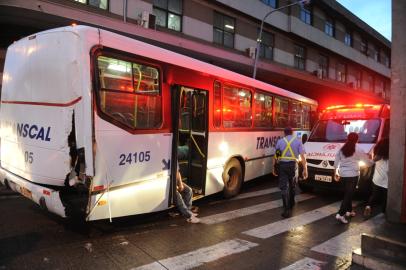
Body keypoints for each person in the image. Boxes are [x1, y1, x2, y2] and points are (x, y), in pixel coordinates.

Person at [333, 132, 371, 224]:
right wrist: (373, 160)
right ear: (357, 139)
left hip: (343, 174)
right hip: (353, 175)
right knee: (349, 195)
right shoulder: (359, 149)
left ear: (348, 138)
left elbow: (336, 162)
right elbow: (368, 163)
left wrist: (336, 173)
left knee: (347, 193)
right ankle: (340, 214)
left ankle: (349, 211)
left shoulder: (342, 148)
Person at [275, 127, 308, 218]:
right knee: (292, 185)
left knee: (284, 188)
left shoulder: (280, 141)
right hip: (293, 165)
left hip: (283, 165)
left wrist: (274, 167)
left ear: (284, 133)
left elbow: (277, 157)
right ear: (292, 133)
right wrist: (305, 169)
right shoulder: (298, 141)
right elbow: (302, 156)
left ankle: (286, 209)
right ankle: (292, 202)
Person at [363, 137, 389, 217]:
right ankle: (384, 211)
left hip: (377, 179)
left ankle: (368, 206)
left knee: (374, 195)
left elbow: (370, 163)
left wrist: (368, 158)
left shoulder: (378, 155)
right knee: (386, 197)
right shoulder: (393, 154)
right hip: (388, 180)